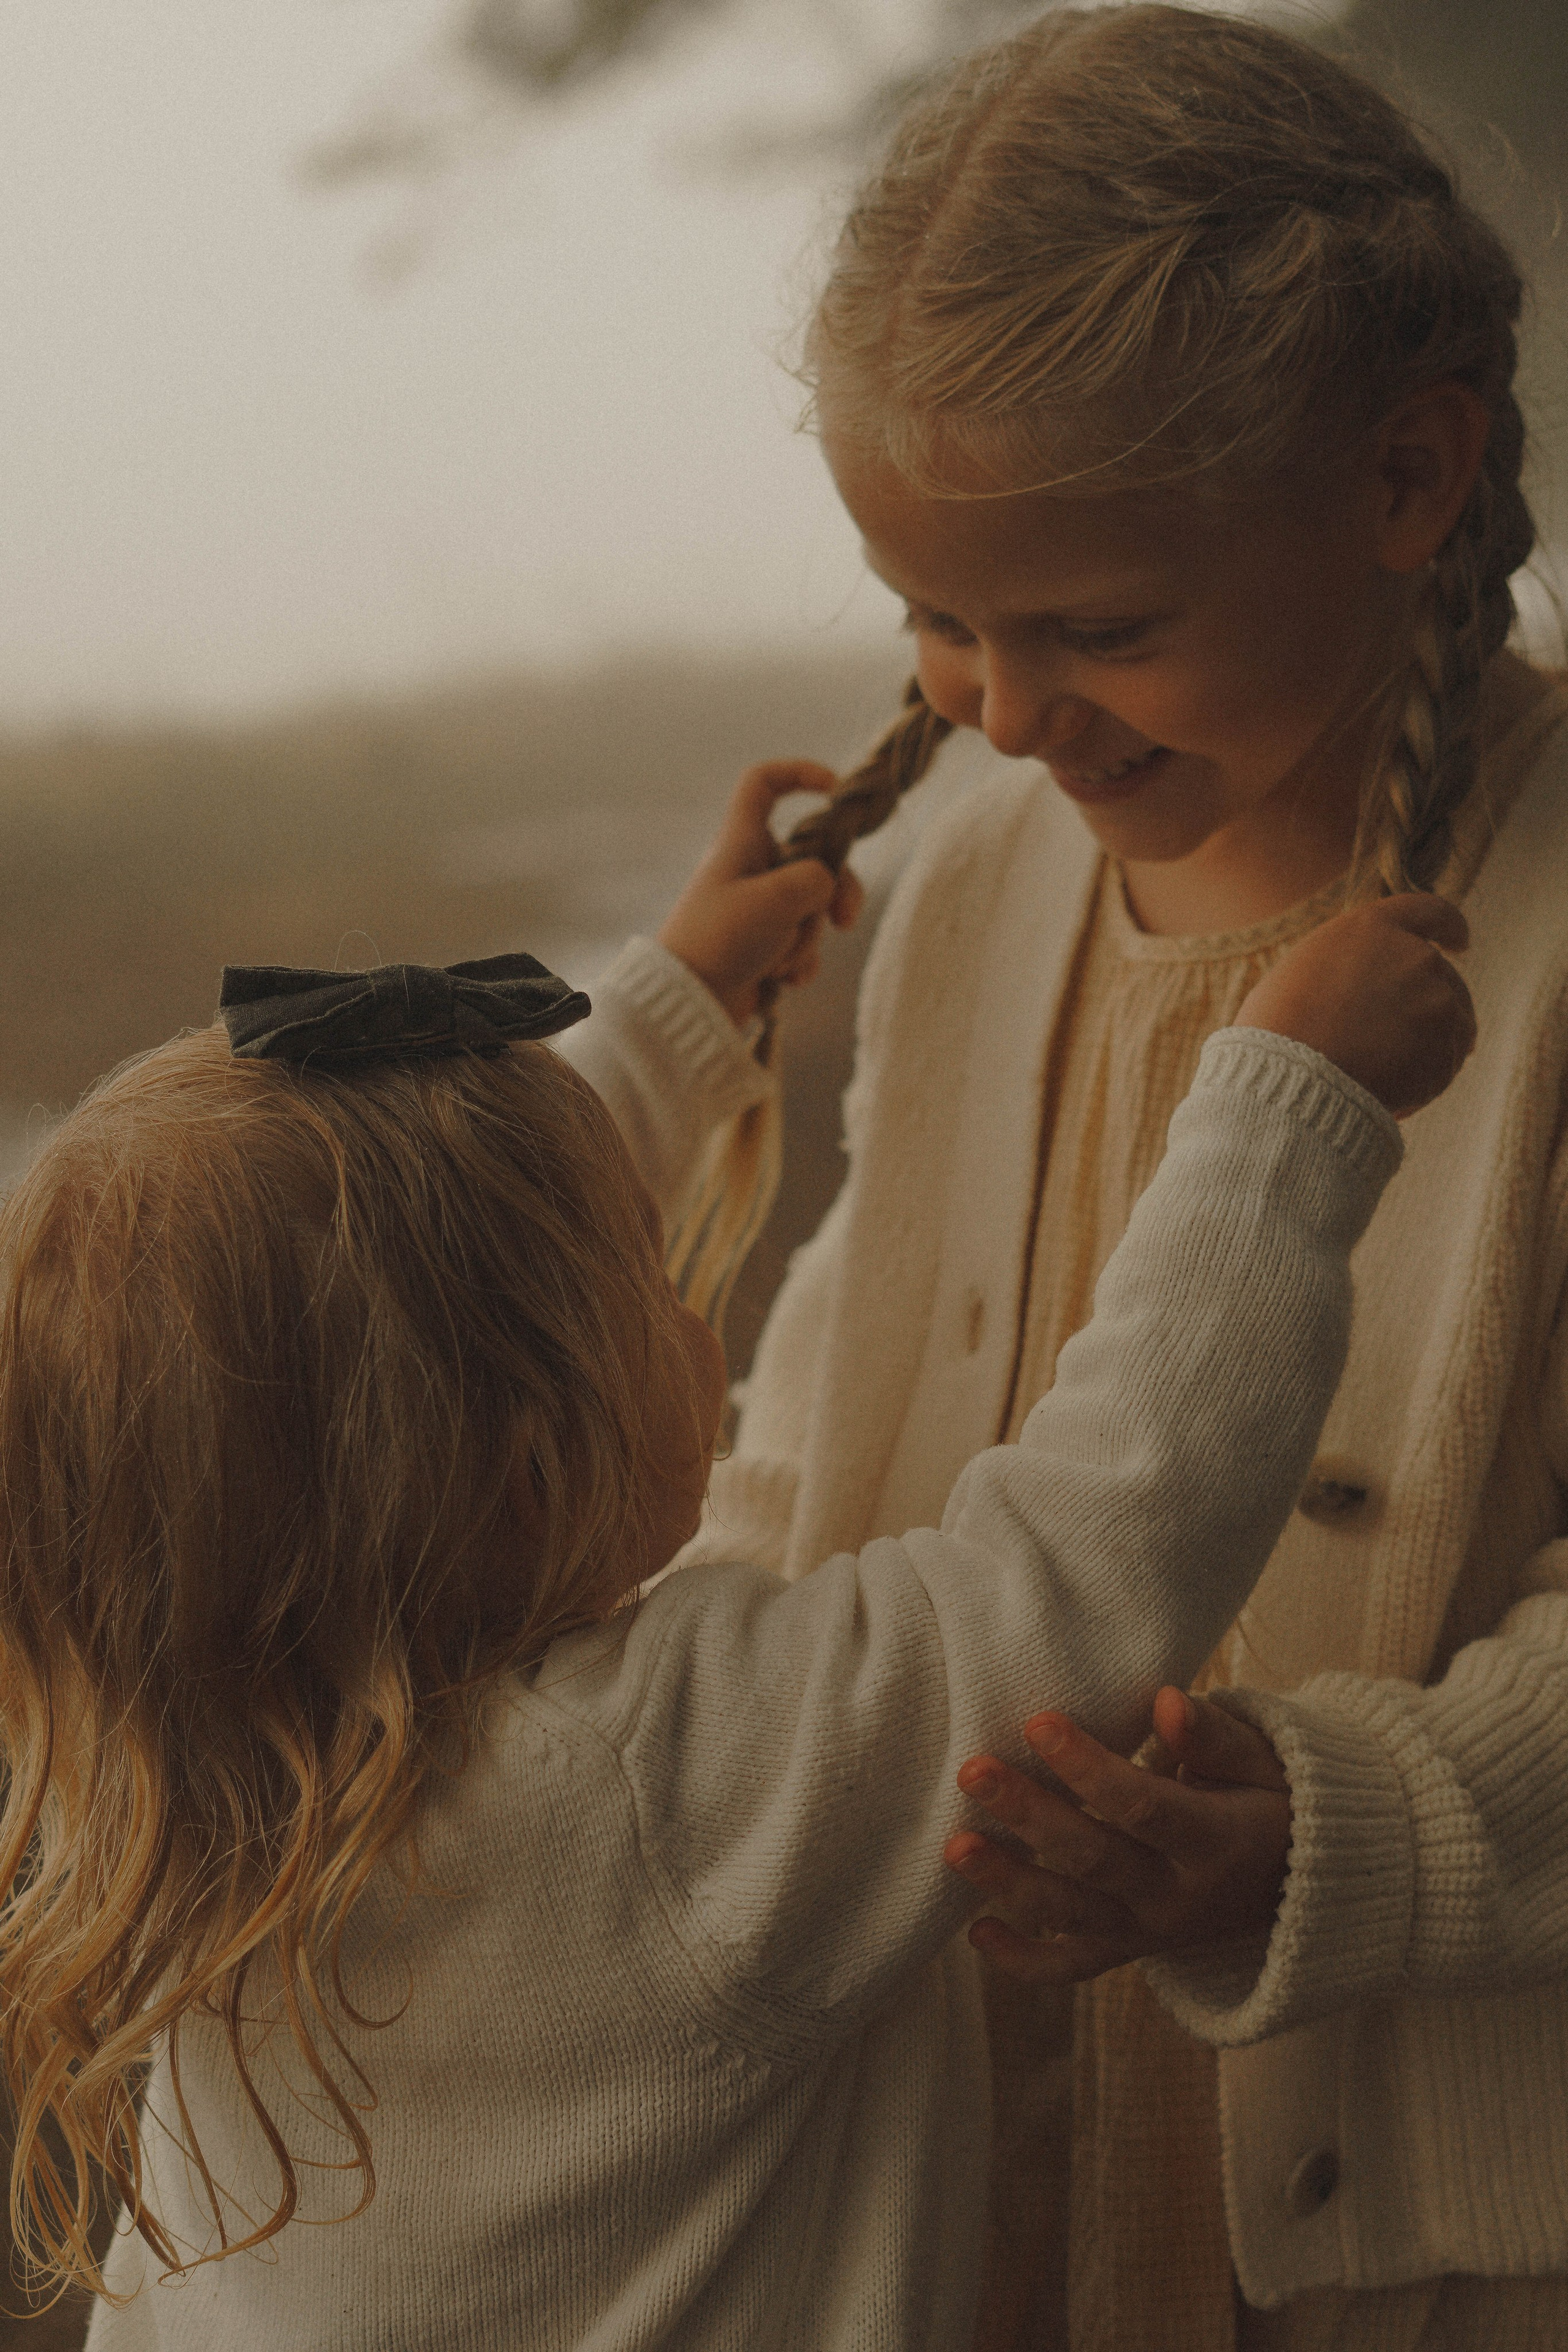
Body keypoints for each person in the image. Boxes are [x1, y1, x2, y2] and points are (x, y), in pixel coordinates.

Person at [563, 7, 1568, 2347]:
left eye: (1103, 630)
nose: (1006, 718)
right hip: (955, 2190)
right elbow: (804, 1461)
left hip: (1420, 2243)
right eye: (938, 624)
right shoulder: (973, 884)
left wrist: (1313, 1830)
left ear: (1408, 474)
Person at [0, 925, 1460, 2351]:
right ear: (528, 1472)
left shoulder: (164, 1790)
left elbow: (344, 1300)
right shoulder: (651, 1783)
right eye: (649, 1273)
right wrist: (1286, 1105)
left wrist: (677, 1005)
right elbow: (1089, 1549)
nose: (690, 1303)